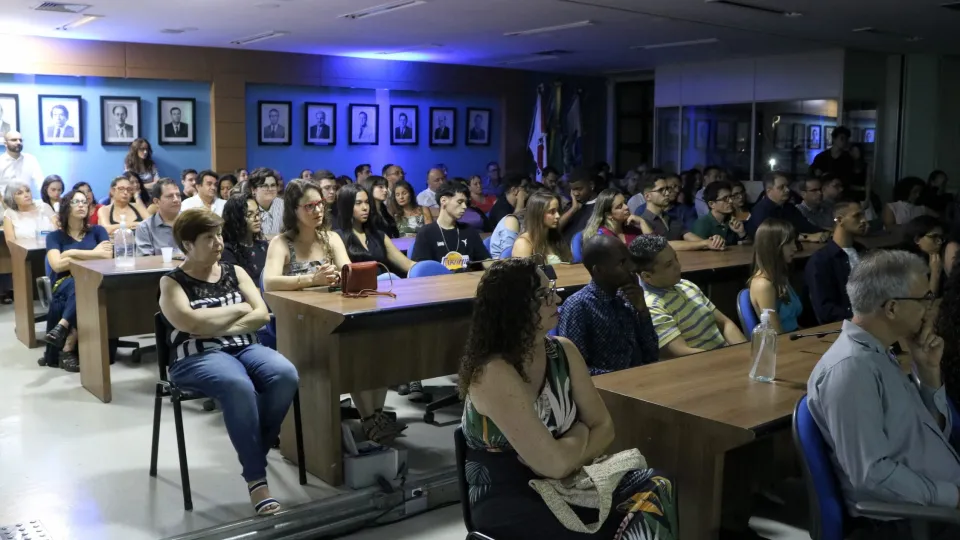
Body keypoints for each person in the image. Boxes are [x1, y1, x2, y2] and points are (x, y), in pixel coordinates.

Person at [459, 257, 678, 540]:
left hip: (570, 478)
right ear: (513, 308)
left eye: (552, 288)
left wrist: (567, 454)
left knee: (658, 485)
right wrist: (579, 430)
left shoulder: (562, 351)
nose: (557, 297)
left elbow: (605, 428)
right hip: (510, 493)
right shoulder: (493, 372)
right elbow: (555, 464)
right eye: (543, 294)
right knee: (609, 528)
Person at [807, 250, 960, 539]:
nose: (931, 308)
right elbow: (872, 476)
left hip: (935, 503)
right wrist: (954, 497)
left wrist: (928, 373)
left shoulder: (881, 354)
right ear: (891, 308)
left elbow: (931, 434)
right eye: (924, 299)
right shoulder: (851, 369)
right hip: (910, 522)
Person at [158, 208, 298, 516]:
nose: (218, 243)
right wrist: (238, 310)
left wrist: (214, 322)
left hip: (245, 347)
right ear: (187, 245)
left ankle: (254, 452)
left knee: (285, 373)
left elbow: (261, 314)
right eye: (208, 238)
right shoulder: (172, 283)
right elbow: (190, 324)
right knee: (238, 385)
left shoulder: (236, 272)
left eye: (219, 235)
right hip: (196, 356)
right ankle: (256, 480)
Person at [263, 180, 405, 443]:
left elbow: (349, 273)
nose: (318, 211)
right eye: (310, 206)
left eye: (320, 204)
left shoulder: (331, 238)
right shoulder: (281, 243)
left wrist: (340, 278)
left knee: (377, 346)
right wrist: (311, 280)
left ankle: (374, 415)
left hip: (333, 315)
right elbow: (270, 282)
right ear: (293, 210)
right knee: (355, 351)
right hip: (299, 323)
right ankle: (370, 419)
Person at [630, 235, 747, 357]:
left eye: (676, 258)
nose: (678, 266)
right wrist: (729, 358)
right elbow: (683, 353)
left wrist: (745, 353)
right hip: (703, 366)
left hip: (723, 356)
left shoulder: (684, 284)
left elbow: (725, 323)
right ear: (647, 276)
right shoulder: (652, 306)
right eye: (669, 265)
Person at [558, 235, 659, 374]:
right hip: (607, 390)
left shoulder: (627, 297)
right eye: (622, 263)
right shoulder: (578, 306)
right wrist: (620, 377)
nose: (632, 267)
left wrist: (643, 312)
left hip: (641, 380)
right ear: (598, 270)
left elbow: (652, 354)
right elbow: (573, 369)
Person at [42, 189, 112, 371]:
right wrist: (93, 254)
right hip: (63, 283)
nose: (82, 205)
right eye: (76, 202)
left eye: (84, 202)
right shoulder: (54, 236)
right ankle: (65, 341)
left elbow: (107, 256)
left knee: (86, 285)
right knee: (81, 284)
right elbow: (57, 265)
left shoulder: (98, 231)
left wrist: (71, 253)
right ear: (66, 207)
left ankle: (64, 336)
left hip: (95, 279)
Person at [806, 201, 869, 324]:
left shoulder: (863, 251)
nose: (864, 221)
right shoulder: (821, 260)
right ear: (840, 220)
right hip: (845, 325)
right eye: (857, 216)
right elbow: (825, 309)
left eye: (863, 215)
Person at [336, 183, 414, 276]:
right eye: (358, 203)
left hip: (386, 286)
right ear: (346, 206)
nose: (365, 208)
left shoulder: (379, 235)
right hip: (359, 288)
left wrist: (429, 268)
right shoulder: (337, 237)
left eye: (367, 202)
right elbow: (347, 273)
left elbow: (407, 264)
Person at [636, 174, 726, 251]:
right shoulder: (641, 222)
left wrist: (712, 243)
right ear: (648, 196)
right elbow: (662, 245)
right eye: (661, 190)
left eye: (667, 189)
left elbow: (687, 235)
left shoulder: (672, 217)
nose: (667, 193)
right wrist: (704, 243)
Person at [411, 181, 491, 265]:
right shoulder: (426, 233)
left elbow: (485, 260)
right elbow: (421, 269)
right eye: (460, 202)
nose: (464, 206)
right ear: (443, 201)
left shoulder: (469, 231)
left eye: (465, 203)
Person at [747, 219, 802, 334]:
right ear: (772, 247)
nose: (795, 248)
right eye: (788, 243)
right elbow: (776, 333)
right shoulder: (763, 285)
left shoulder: (780, 276)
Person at [746, 173, 830, 242]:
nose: (787, 190)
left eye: (787, 186)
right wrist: (808, 237)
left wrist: (824, 233)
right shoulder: (761, 210)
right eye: (781, 187)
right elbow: (772, 237)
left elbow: (806, 226)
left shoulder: (789, 207)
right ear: (769, 191)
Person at [510, 191, 571, 264]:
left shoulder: (555, 238)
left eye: (558, 211)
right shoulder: (523, 243)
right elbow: (522, 275)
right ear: (538, 214)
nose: (558, 216)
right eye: (552, 212)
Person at [220, 194, 269, 282]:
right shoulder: (227, 250)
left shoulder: (264, 246)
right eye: (249, 214)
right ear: (235, 218)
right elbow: (236, 284)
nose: (257, 218)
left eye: (258, 213)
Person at [897, 215, 946, 297]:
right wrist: (935, 273)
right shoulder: (909, 263)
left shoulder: (937, 255)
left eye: (941, 237)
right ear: (917, 239)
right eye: (934, 237)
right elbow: (928, 302)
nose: (939, 242)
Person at [692, 181, 750, 247]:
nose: (730, 201)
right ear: (712, 204)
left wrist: (741, 233)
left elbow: (749, 248)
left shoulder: (732, 221)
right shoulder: (702, 224)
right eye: (725, 199)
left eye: (730, 197)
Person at [135, 178, 181, 256]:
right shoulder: (145, 227)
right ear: (156, 202)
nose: (176, 200)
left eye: (178, 195)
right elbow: (145, 261)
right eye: (170, 196)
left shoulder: (192, 222)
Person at [559, 167, 598, 242]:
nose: (575, 193)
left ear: (591, 185)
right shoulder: (572, 207)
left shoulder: (600, 206)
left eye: (579, 189)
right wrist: (573, 209)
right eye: (573, 189)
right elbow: (556, 229)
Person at [0, 131, 43, 196]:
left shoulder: (30, 159)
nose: (18, 142)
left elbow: (40, 182)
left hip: (26, 202)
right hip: (5, 203)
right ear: (5, 143)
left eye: (20, 140)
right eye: (14, 140)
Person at [248, 167, 285, 237]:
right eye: (265, 186)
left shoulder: (284, 206)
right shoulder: (247, 207)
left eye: (273, 185)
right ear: (253, 190)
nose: (270, 189)